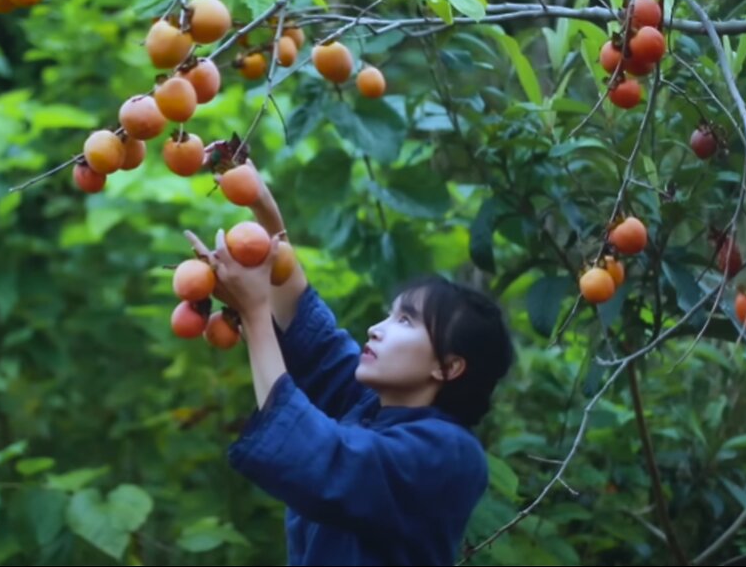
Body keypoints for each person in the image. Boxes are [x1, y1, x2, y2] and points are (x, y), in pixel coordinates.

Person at [185, 161, 515, 566]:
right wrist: (261, 206)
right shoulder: (369, 409)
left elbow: (325, 461)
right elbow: (311, 334)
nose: (377, 329)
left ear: (448, 367)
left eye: (406, 321)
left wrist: (254, 315)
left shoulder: (450, 455)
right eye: (389, 315)